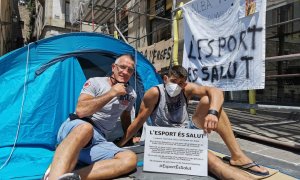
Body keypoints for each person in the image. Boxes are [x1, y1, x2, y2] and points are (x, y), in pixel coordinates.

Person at [118, 65, 269, 179]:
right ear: (165, 79)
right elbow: (139, 120)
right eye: (173, 81)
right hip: (168, 138)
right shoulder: (155, 93)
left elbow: (215, 91)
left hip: (188, 130)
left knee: (208, 100)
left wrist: (213, 113)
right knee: (213, 161)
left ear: (185, 83)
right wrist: (121, 144)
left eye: (181, 82)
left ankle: (237, 156)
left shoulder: (186, 89)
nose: (177, 85)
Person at [47, 54, 138, 180]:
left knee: (130, 159)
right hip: (77, 126)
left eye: (130, 70)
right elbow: (81, 111)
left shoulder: (131, 94)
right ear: (113, 67)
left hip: (99, 140)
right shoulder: (95, 82)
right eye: (122, 67)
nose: (125, 72)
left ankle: (72, 177)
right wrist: (112, 93)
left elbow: (126, 116)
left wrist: (127, 140)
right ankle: (53, 177)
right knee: (86, 129)